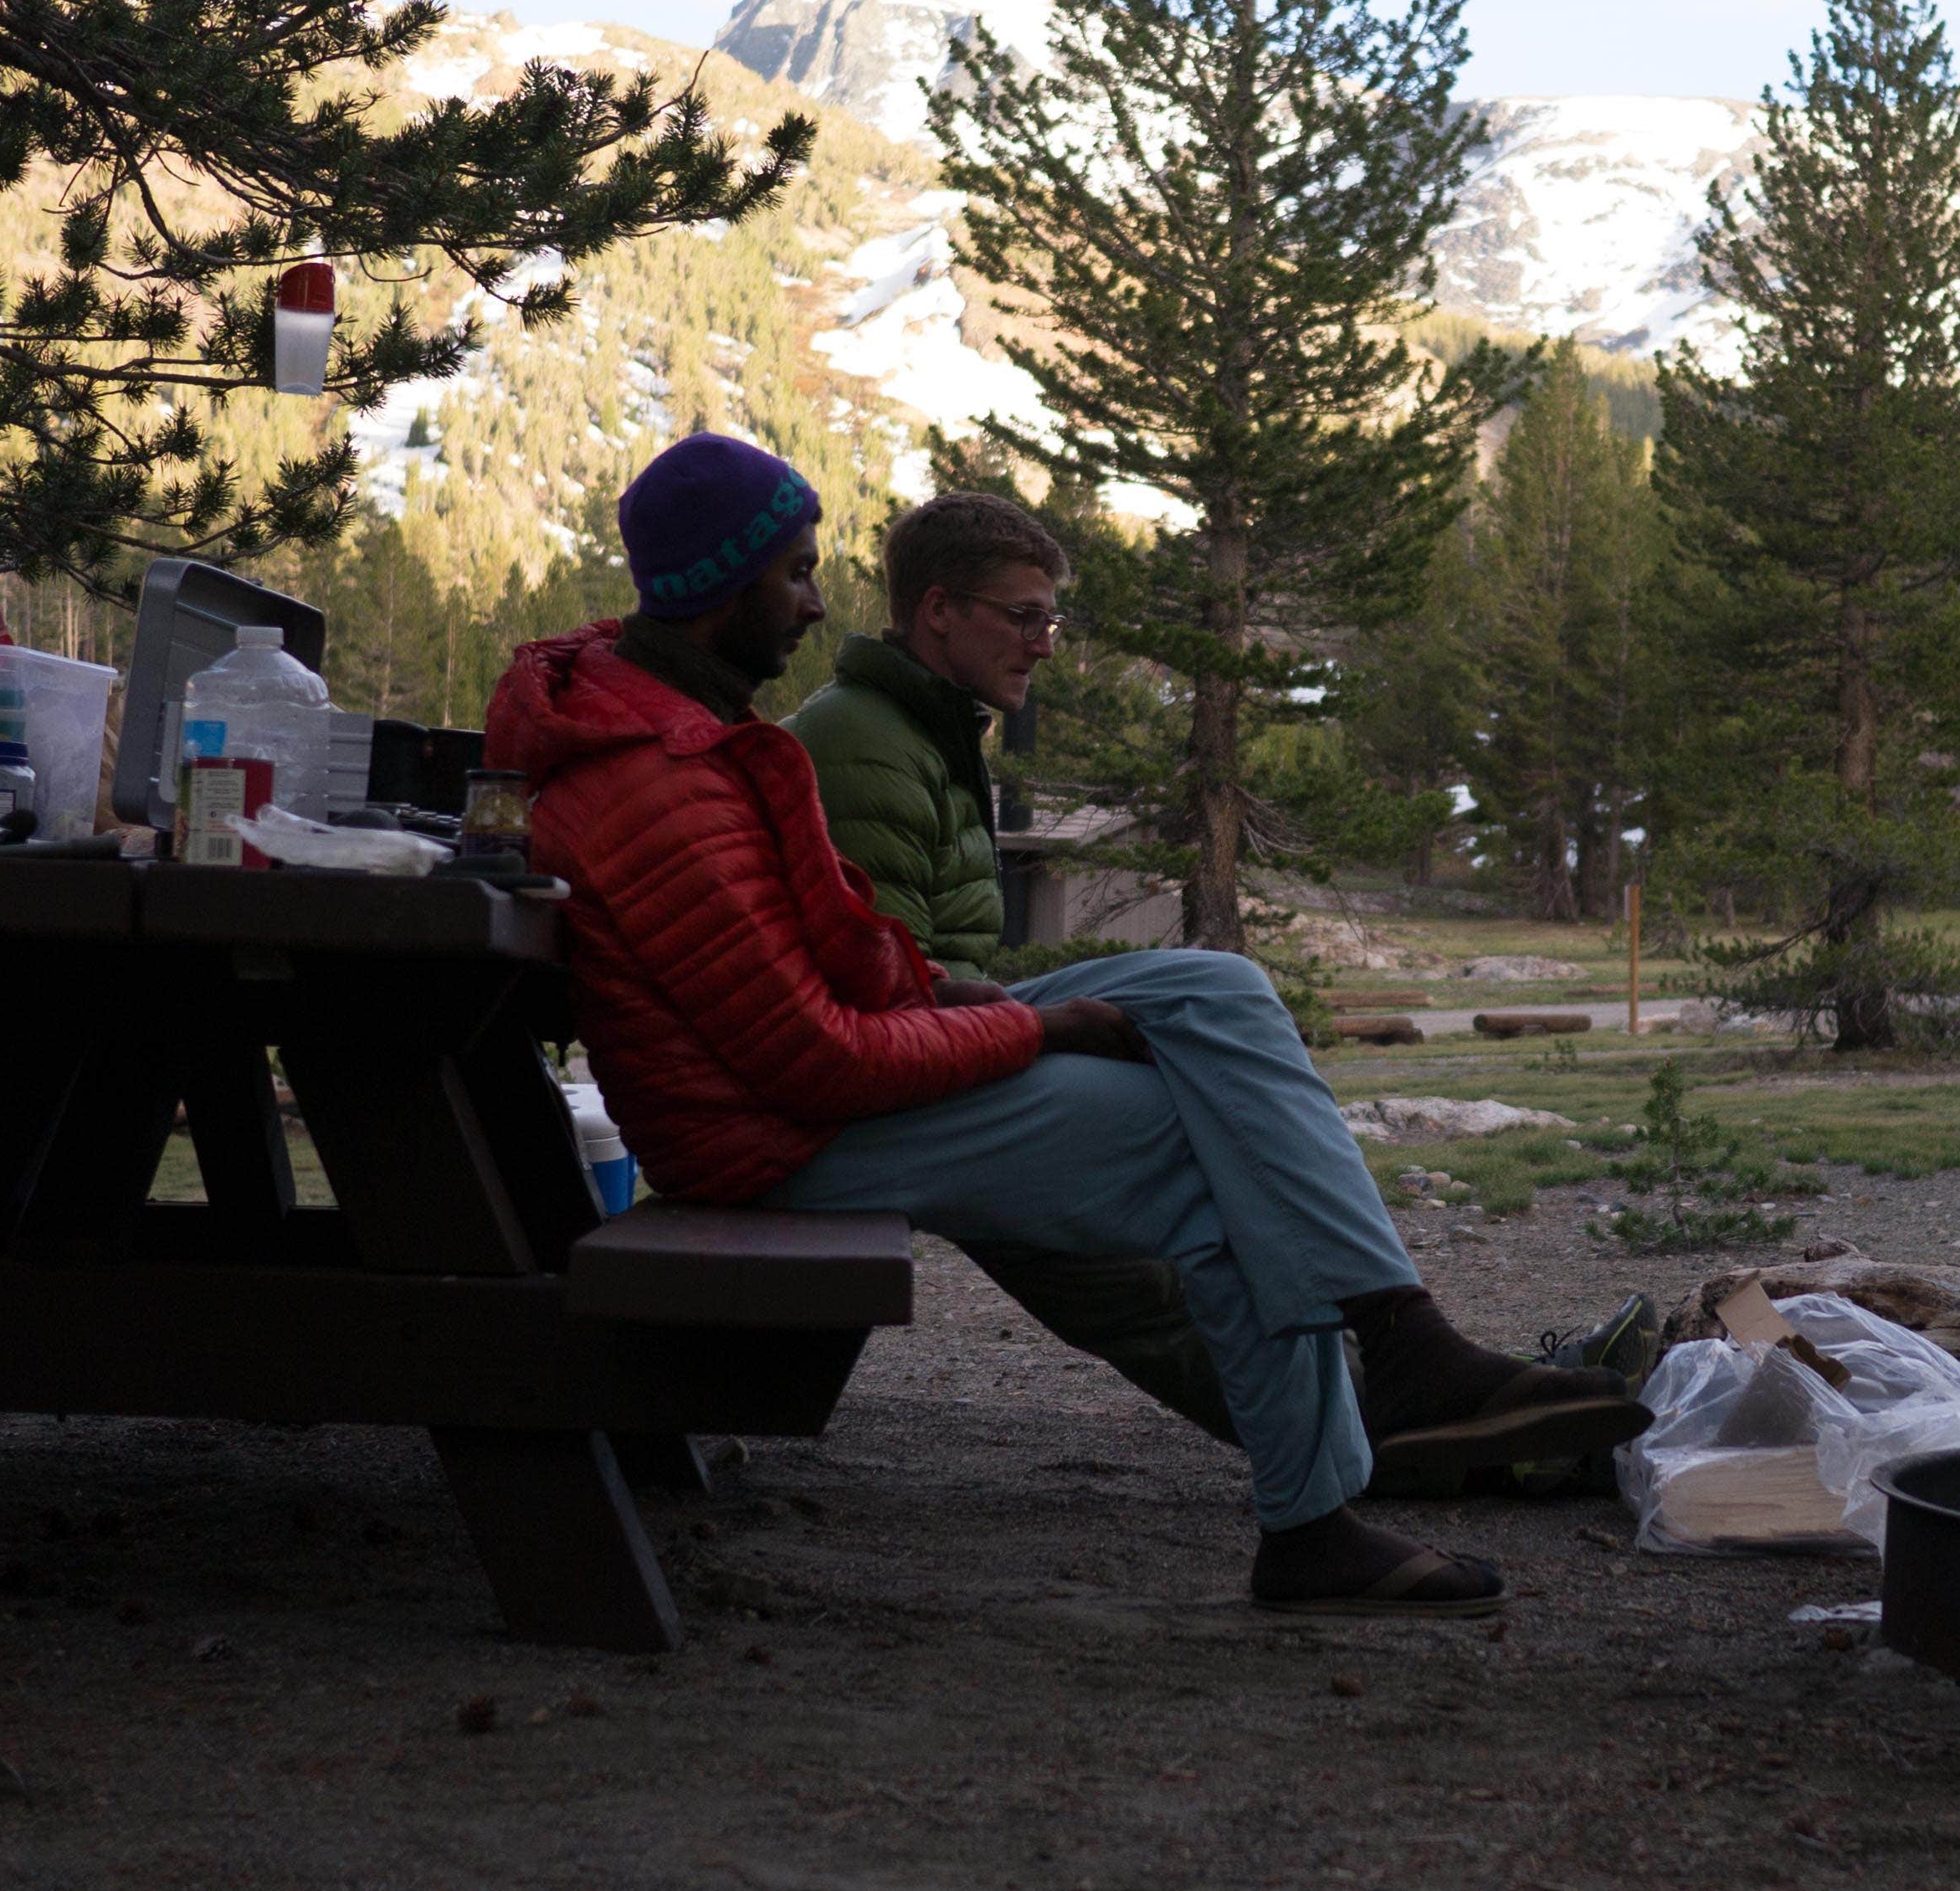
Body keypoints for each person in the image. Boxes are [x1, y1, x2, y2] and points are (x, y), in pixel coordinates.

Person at [485, 432, 1647, 1617]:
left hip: (821, 1079)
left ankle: (1401, 1340)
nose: (816, 600)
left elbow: (821, 950)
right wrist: (1036, 1032)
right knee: (1186, 1135)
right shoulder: (660, 784)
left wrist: (946, 992)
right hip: (776, 1142)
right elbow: (807, 1057)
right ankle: (1317, 1516)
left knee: (1218, 991)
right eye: (792, 574)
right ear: (716, 589)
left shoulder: (690, 736)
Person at [783, 491, 1059, 976]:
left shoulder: (932, 733)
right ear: (939, 610)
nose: (1043, 648)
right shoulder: (864, 744)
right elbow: (897, 993)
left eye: (1049, 624)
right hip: (938, 1036)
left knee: (1210, 980)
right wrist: (1060, 1026)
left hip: (971, 1019)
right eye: (1024, 618)